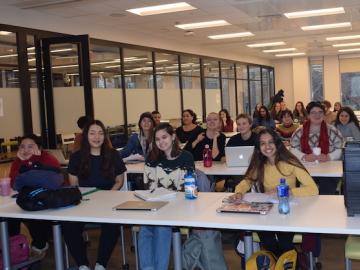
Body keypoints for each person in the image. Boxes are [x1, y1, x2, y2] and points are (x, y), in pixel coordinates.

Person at [231, 128, 318, 257]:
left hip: (288, 211)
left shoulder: (290, 162)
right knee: (267, 242)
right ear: (258, 147)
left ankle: (289, 262)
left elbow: (313, 189)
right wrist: (238, 192)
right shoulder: (259, 163)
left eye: (271, 142)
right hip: (267, 211)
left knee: (284, 244)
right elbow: (247, 182)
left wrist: (289, 192)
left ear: (277, 143)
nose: (267, 147)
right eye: (263, 143)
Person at [63, 120, 126, 270]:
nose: (96, 137)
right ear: (86, 136)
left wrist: (108, 196)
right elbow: (74, 185)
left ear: (105, 136)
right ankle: (82, 264)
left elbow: (119, 181)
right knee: (68, 225)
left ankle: (101, 264)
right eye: (92, 133)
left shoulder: (113, 154)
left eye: (100, 133)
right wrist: (85, 199)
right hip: (83, 202)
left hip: (108, 202)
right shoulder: (77, 156)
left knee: (112, 225)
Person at [138, 123, 194, 270]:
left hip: (179, 208)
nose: (161, 142)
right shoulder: (152, 157)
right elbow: (149, 187)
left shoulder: (186, 157)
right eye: (157, 139)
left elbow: (187, 188)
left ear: (173, 136)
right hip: (156, 205)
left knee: (162, 227)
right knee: (145, 228)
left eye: (164, 137)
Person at [8, 134, 60, 254]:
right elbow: (13, 182)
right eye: (22, 147)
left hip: (46, 199)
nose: (25, 150)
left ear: (39, 148)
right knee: (10, 216)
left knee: (35, 216)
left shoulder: (48, 159)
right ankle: (12, 247)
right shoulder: (19, 161)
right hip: (26, 198)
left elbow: (45, 180)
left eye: (30, 146)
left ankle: (40, 245)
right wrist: (23, 162)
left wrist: (33, 161)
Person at [290, 101, 344, 194]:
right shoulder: (300, 131)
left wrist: (329, 157)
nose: (317, 115)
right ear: (308, 115)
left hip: (329, 170)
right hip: (306, 170)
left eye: (320, 112)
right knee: (308, 190)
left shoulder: (332, 130)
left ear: (324, 114)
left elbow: (340, 148)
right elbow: (292, 149)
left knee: (327, 187)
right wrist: (304, 156)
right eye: (313, 112)